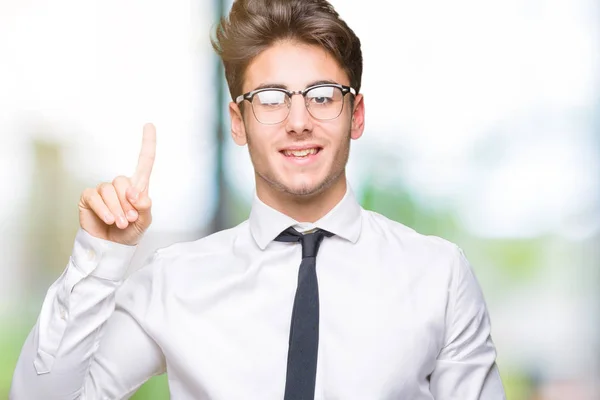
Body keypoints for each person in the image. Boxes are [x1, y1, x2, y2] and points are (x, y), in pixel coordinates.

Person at [10, 0, 506, 398]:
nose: (297, 120)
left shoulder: (438, 276)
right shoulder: (174, 281)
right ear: (237, 122)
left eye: (322, 94)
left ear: (355, 115)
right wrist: (100, 257)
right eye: (270, 97)